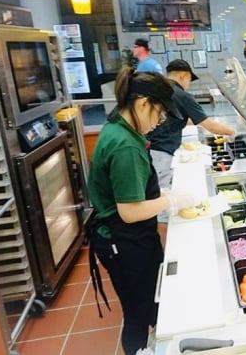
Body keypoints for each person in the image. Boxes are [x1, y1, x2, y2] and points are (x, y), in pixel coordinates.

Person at [87, 67, 194, 355]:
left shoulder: (117, 127)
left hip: (127, 237)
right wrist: (170, 200)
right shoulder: (125, 147)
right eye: (159, 114)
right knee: (136, 314)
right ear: (143, 104)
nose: (159, 122)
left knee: (150, 303)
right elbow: (130, 212)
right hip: (123, 240)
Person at [148, 59, 236, 231]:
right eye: (189, 80)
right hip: (160, 152)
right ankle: (164, 247)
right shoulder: (180, 94)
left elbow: (180, 118)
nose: (188, 84)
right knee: (161, 207)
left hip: (152, 149)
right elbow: (209, 125)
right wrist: (232, 132)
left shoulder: (162, 89)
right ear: (183, 75)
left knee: (157, 196)